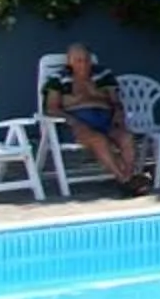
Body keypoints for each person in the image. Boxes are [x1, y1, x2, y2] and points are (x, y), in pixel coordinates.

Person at [47, 43, 148, 193]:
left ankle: (128, 178)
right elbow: (51, 108)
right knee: (98, 140)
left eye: (86, 60)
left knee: (127, 137)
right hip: (79, 124)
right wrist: (73, 121)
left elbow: (115, 101)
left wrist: (118, 114)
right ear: (69, 61)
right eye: (78, 60)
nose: (83, 64)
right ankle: (124, 179)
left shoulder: (103, 75)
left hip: (106, 120)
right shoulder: (59, 78)